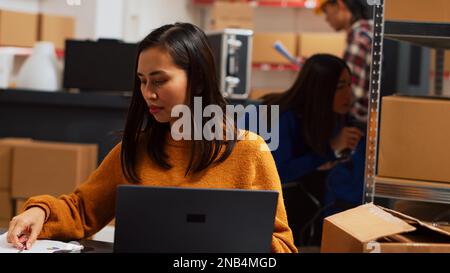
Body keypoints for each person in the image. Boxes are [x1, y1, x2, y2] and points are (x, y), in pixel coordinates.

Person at [6, 23, 297, 253]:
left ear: (197, 80)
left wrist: (231, 242)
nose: (148, 93)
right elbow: (81, 210)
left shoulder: (249, 152)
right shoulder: (136, 149)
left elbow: (283, 247)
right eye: (142, 81)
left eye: (159, 80)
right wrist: (39, 213)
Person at [261, 54, 365, 245]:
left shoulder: (337, 118)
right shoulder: (284, 117)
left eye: (349, 85)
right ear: (321, 90)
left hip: (319, 219)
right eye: (340, 87)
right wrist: (329, 150)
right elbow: (277, 174)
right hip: (280, 222)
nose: (349, 94)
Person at [318, 0, 373, 123]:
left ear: (340, 5)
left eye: (327, 12)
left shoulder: (357, 39)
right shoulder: (367, 31)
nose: (326, 19)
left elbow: (350, 92)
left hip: (357, 123)